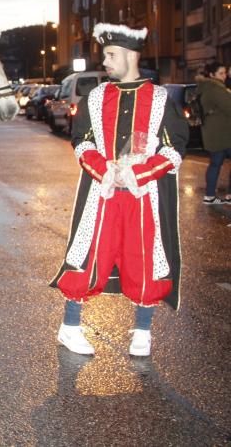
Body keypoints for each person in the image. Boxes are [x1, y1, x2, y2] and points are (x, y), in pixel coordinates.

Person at [51, 23, 188, 358]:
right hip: (103, 192)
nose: (106, 62)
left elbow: (174, 149)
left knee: (143, 258)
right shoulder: (95, 98)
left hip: (145, 197)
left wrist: (138, 173)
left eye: (111, 55)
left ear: (130, 55)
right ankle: (70, 327)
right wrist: (107, 171)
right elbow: (81, 142)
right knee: (88, 254)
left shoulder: (159, 99)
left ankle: (142, 332)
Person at [195, 61, 231, 205]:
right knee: (215, 163)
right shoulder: (216, 88)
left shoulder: (207, 87)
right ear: (212, 75)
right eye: (220, 73)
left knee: (215, 163)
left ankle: (210, 196)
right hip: (222, 134)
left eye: (225, 73)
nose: (224, 76)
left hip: (214, 133)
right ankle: (225, 195)